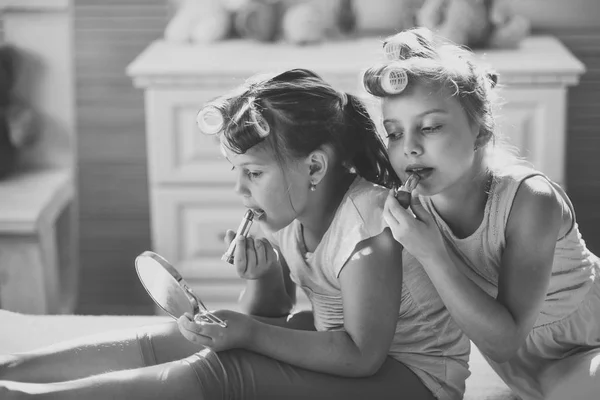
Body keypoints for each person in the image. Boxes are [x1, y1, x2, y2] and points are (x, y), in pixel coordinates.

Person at [0, 68, 470, 400]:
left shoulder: (370, 230)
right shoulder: (288, 217)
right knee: (190, 335)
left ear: (314, 166)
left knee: (226, 372)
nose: (239, 187)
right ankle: (10, 373)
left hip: (411, 378)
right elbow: (276, 313)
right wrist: (262, 284)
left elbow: (361, 352)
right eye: (236, 171)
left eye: (253, 172)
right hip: (350, 346)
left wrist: (249, 333)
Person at [369, 27, 600, 400]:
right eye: (394, 133)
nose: (409, 148)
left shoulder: (530, 201)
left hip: (587, 346)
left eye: (429, 127)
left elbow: (504, 342)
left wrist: (431, 253)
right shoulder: (414, 208)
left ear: (480, 130)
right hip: (526, 368)